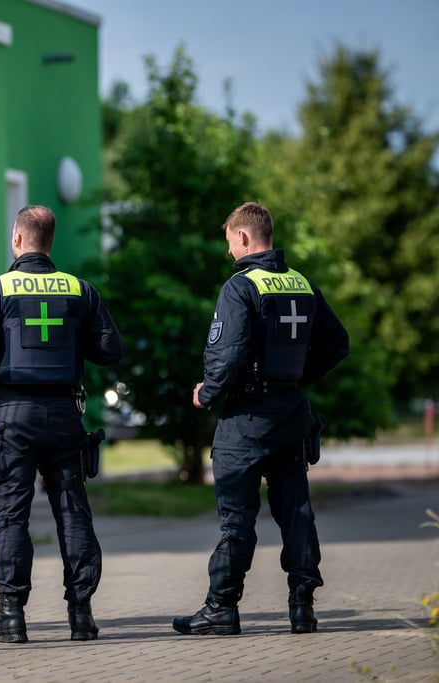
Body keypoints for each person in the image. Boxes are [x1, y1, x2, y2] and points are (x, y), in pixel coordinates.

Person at [173, 202, 349, 636]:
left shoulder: (240, 286)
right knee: (296, 512)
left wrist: (206, 393)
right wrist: (294, 379)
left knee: (236, 517)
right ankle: (303, 606)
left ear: (244, 237)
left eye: (230, 242)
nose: (229, 252)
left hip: (246, 420)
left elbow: (229, 351)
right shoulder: (302, 283)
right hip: (291, 415)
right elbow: (337, 343)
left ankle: (222, 607)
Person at [0, 205, 125, 643]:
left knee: (12, 513)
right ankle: (81, 614)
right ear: (50, 241)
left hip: (14, 416)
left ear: (17, 240)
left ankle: (11, 616)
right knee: (72, 509)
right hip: (65, 416)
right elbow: (111, 350)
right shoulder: (79, 290)